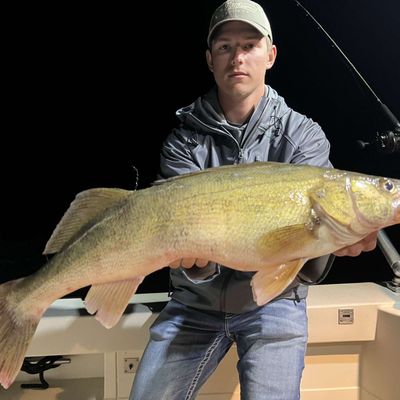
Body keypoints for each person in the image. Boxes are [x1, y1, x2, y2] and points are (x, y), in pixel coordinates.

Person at [130, 1, 378, 399]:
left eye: (249, 45)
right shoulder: (184, 142)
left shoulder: (304, 136)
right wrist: (195, 262)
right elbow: (188, 248)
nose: (238, 57)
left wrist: (333, 241)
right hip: (195, 306)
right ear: (210, 60)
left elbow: (307, 250)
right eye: (225, 47)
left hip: (275, 305)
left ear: (270, 55)